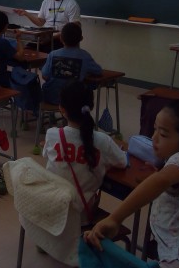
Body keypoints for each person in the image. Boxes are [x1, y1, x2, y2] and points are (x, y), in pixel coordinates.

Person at [85, 98, 179, 268]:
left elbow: (161, 181)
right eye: (155, 129)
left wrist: (115, 219)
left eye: (163, 134)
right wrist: (160, 174)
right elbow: (166, 180)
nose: (153, 138)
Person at [43, 81, 127, 225]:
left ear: (61, 109)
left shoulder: (52, 134)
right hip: (81, 218)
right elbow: (123, 162)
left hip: (52, 213)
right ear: (91, 107)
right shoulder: (103, 141)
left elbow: (47, 155)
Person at [41, 22, 102, 105]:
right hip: (73, 101)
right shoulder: (85, 56)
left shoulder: (53, 54)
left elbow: (44, 76)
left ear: (61, 38)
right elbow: (98, 71)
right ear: (81, 38)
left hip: (50, 97)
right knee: (88, 87)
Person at [13, 0, 80, 48]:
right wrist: (26, 13)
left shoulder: (71, 4)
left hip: (61, 40)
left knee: (50, 52)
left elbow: (73, 29)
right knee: (28, 49)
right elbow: (40, 22)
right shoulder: (46, 2)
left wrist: (52, 37)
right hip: (45, 37)